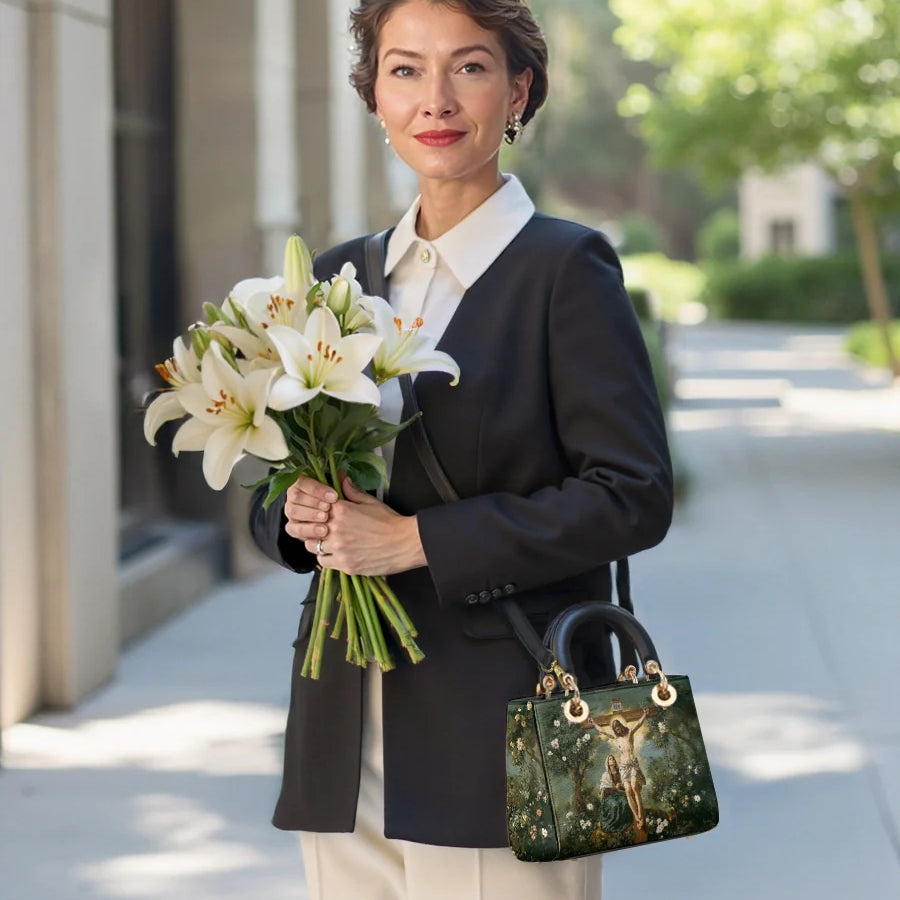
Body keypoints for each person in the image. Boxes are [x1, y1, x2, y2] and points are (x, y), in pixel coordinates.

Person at [249, 1, 673, 897]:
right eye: (405, 69)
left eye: (468, 67)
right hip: (342, 726)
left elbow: (632, 494)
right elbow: (277, 477)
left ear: (518, 89)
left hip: (505, 727)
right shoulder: (337, 277)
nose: (435, 98)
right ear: (373, 96)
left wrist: (417, 543)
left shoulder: (565, 269)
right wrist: (298, 517)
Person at [589, 712, 649, 830]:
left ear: (622, 726)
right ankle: (636, 816)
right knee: (627, 791)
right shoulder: (616, 738)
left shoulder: (630, 734)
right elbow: (602, 731)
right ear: (615, 730)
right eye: (616, 729)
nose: (618, 730)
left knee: (634, 787)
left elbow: (638, 723)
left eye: (619, 728)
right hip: (623, 766)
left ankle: (641, 814)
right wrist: (594, 723)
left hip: (632, 764)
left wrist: (645, 715)